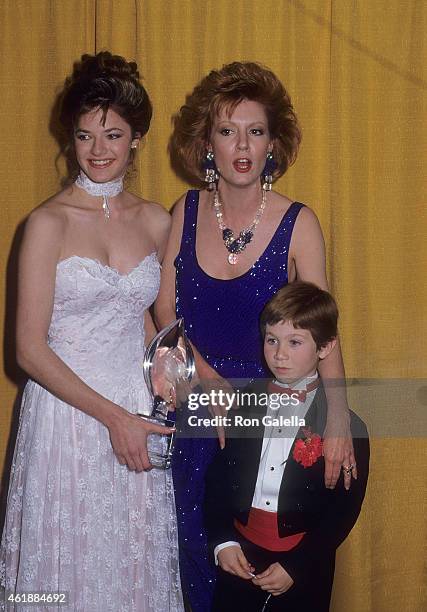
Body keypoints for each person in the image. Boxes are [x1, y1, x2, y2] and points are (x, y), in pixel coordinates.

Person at [155, 61, 355, 610]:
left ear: (273, 143)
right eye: (227, 130)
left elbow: (322, 327)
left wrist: (336, 416)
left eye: (256, 130)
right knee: (196, 554)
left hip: (272, 417)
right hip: (197, 404)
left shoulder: (300, 222)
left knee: (268, 571)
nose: (241, 145)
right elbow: (163, 309)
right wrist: (210, 386)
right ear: (206, 143)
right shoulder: (186, 209)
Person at [0, 52, 183, 611]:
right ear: (71, 140)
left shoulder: (157, 220)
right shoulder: (46, 223)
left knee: (130, 573)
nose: (98, 150)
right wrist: (117, 418)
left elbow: (163, 325)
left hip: (137, 410)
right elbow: (28, 349)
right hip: (68, 419)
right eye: (85, 135)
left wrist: (174, 379)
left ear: (136, 139)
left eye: (113, 134)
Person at [204, 281, 369, 612]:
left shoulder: (346, 428)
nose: (279, 354)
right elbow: (218, 480)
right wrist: (223, 540)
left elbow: (343, 511)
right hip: (240, 555)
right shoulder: (244, 404)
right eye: (272, 340)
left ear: (325, 347)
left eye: (295, 342)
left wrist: (299, 565)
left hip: (303, 567)